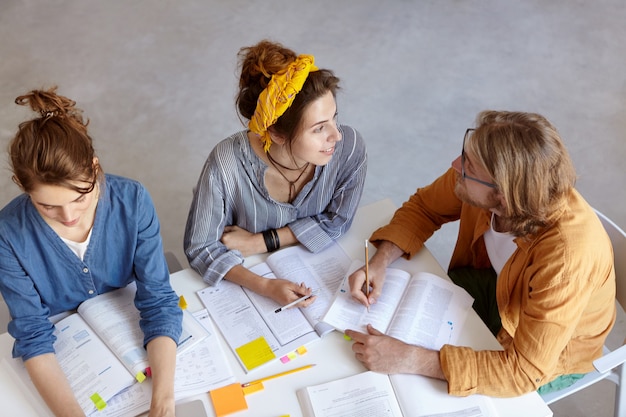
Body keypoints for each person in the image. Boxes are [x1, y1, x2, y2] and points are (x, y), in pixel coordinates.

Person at [346, 110, 615, 397]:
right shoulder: (487, 183)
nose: (455, 165)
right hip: (497, 290)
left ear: (503, 194)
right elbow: (425, 207)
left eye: (468, 167)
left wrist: (411, 358)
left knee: (421, 389)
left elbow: (523, 373)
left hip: (555, 353)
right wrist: (380, 260)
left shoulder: (566, 258)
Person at [0, 87, 183, 417]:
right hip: (70, 353)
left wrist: (163, 401)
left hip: (130, 342)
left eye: (81, 197)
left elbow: (158, 301)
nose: (69, 217)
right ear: (22, 185)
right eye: (47, 206)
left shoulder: (133, 201)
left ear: (95, 168)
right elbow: (33, 334)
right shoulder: (8, 234)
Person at [184, 40, 367, 307]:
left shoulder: (349, 148)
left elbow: (339, 218)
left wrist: (263, 241)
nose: (336, 135)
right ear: (276, 134)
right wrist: (266, 286)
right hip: (251, 282)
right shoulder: (225, 165)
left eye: (334, 118)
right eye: (318, 128)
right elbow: (201, 248)